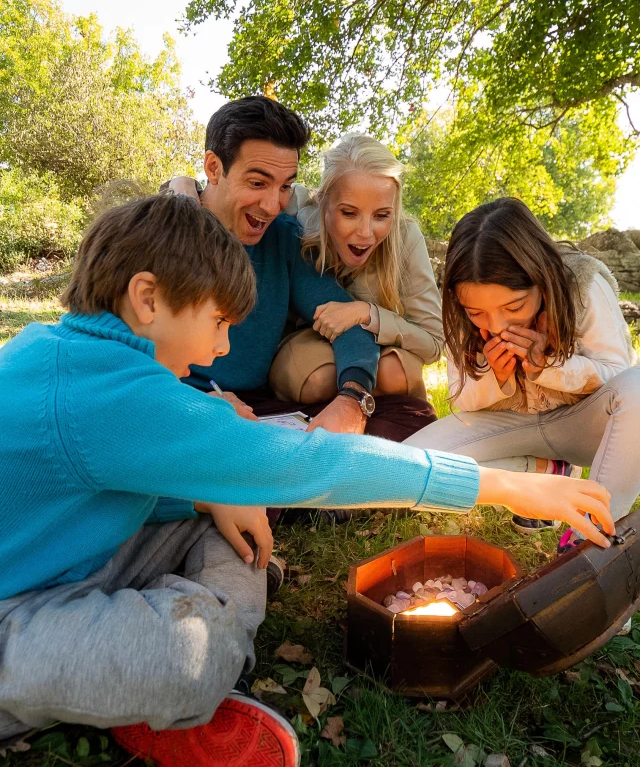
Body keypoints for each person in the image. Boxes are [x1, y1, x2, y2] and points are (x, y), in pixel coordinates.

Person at [0, 193, 614, 767]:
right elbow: (311, 464)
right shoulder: (108, 393)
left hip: (77, 560)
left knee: (237, 523)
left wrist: (204, 492)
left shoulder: (66, 351)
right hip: (17, 610)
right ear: (148, 298)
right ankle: (168, 685)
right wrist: (506, 487)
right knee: (194, 658)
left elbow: (107, 475)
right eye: (217, 322)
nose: (218, 351)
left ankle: (139, 667)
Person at [168, 97, 437, 444]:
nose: (271, 205)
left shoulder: (283, 236)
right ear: (213, 167)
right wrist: (197, 403)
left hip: (259, 407)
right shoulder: (163, 232)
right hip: (175, 402)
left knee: (409, 421)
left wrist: (352, 399)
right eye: (257, 183)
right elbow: (117, 362)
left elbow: (350, 327)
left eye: (284, 186)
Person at [403, 198, 639, 550]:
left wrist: (549, 367)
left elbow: (619, 378)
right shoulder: (457, 313)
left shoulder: (583, 285)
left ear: (542, 282)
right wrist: (497, 376)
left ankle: (590, 538)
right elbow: (461, 398)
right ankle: (545, 473)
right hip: (512, 426)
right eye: (477, 313)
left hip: (584, 428)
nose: (496, 326)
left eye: (514, 307)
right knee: (409, 470)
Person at [267, 133, 442, 404]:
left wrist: (366, 314)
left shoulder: (406, 237)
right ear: (323, 200)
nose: (365, 233)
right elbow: (232, 192)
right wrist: (184, 186)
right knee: (320, 378)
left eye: (382, 215)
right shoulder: (296, 211)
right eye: (349, 213)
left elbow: (433, 343)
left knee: (394, 372)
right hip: (310, 343)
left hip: (381, 340)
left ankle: (378, 418)